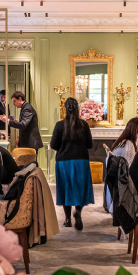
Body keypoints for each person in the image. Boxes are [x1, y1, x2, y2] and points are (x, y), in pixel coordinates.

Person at [50, 98, 94, 230]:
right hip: (81, 161)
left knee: (65, 188)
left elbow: (53, 145)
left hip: (64, 161)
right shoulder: (84, 125)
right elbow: (90, 145)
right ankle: (78, 213)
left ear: (65, 109)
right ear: (78, 109)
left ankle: (68, 219)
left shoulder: (59, 125)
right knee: (80, 188)